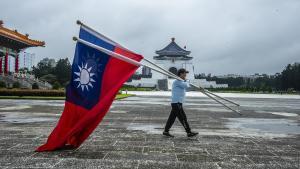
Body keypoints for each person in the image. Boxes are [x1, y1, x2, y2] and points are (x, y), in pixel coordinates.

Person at [163, 68, 198, 137]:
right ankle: (189, 132)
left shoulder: (180, 81)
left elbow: (185, 85)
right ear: (181, 74)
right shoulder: (178, 81)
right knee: (183, 118)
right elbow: (186, 86)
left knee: (172, 118)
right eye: (185, 73)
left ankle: (166, 131)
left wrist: (185, 80)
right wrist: (186, 81)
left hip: (177, 103)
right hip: (177, 103)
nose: (186, 75)